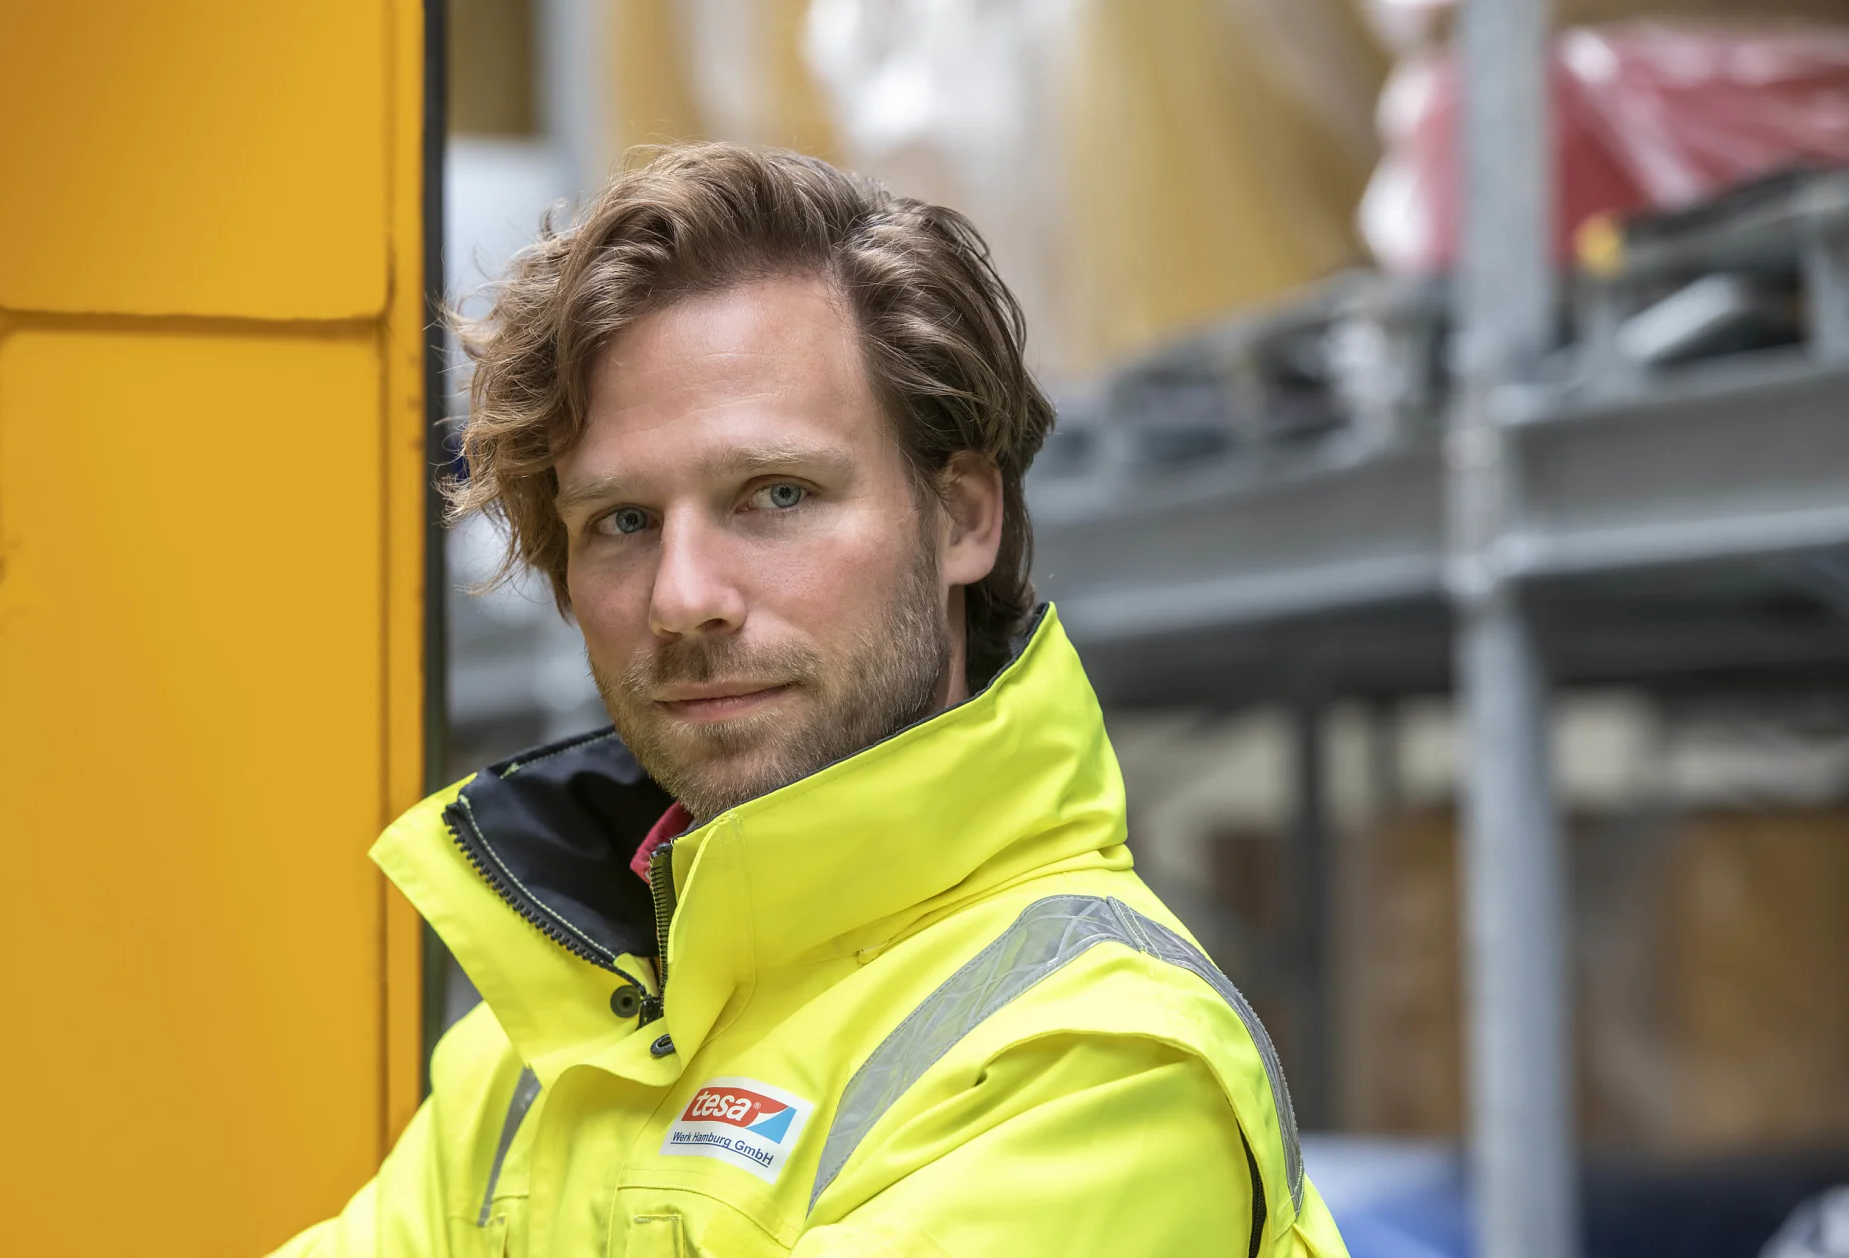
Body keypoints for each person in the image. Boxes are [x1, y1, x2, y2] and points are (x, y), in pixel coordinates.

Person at [273, 143, 1347, 1258]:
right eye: (623, 522)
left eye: (775, 495)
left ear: (964, 517)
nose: (684, 597)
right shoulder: (544, 1043)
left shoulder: (1097, 1063)